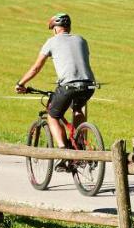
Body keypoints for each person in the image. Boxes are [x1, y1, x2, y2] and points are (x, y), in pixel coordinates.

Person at [15, 12, 96, 158]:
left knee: (52, 116)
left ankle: (62, 151)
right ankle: (80, 144)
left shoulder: (51, 42)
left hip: (68, 86)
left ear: (55, 29)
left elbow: (36, 68)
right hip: (89, 85)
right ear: (68, 27)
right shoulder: (81, 40)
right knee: (77, 109)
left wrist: (21, 83)